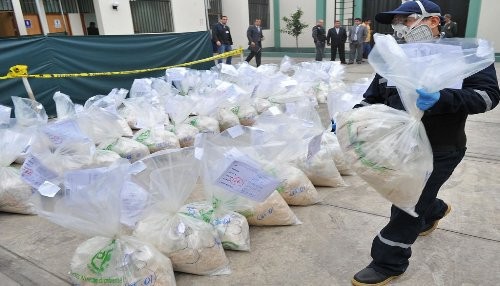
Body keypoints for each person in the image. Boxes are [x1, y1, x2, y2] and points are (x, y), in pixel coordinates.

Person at [350, 1, 500, 285]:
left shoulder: (464, 56)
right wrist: (355, 116)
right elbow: (373, 96)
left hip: (442, 147)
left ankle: (388, 262)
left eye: (406, 21)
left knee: (407, 205)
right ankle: (435, 209)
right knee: (411, 196)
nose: (399, 28)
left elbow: (488, 96)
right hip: (402, 145)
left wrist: (444, 99)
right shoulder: (394, 58)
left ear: (432, 21)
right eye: (396, 23)